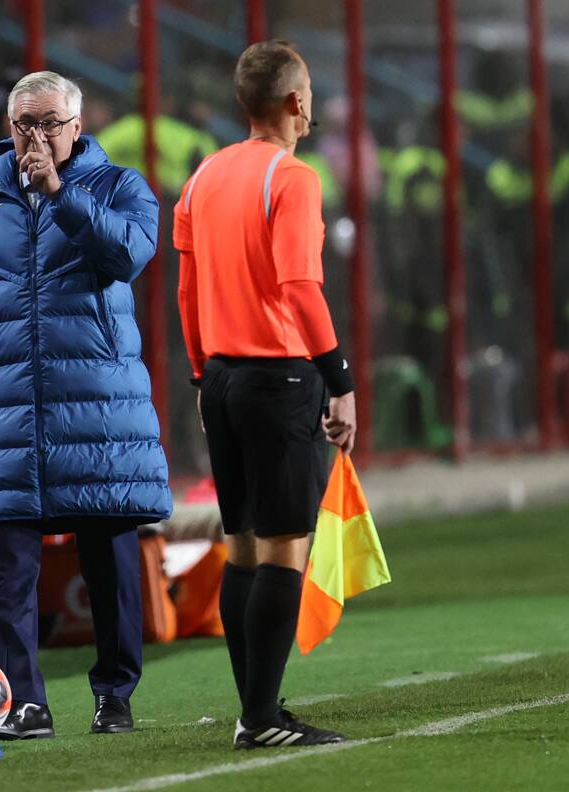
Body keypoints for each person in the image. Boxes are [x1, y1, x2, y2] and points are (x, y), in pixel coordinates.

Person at [0, 71, 172, 739]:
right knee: (6, 566)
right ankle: (25, 702)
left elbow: (128, 255)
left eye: (48, 123)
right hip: (12, 406)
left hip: (99, 408)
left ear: (76, 126)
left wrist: (60, 195)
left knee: (110, 562)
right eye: (23, 124)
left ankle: (115, 695)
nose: (35, 137)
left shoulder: (120, 187)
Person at [174, 40, 356, 749]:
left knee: (243, 546)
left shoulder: (203, 177)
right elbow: (300, 287)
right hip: (280, 377)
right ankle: (260, 719)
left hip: (219, 378)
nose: (310, 104)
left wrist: (198, 373)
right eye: (306, 91)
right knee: (284, 548)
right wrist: (338, 378)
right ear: (293, 102)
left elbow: (187, 290)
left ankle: (258, 707)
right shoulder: (293, 178)